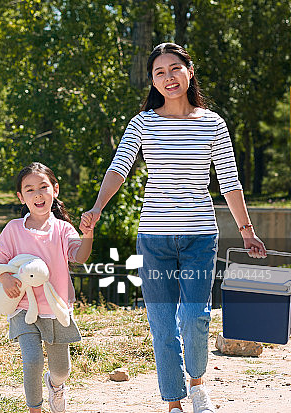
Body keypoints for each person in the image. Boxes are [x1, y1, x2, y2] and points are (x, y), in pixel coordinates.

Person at [80, 43, 267, 413]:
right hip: (154, 238)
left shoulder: (212, 123)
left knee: (195, 316)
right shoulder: (143, 123)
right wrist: (97, 207)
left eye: (174, 68)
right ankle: (174, 402)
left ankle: (198, 388)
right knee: (163, 323)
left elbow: (229, 181)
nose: (168, 77)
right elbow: (119, 168)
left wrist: (246, 230)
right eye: (159, 72)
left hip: (200, 236)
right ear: (152, 80)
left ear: (189, 70)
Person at [0, 162, 94, 413]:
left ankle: (55, 385)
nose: (37, 194)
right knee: (33, 360)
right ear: (20, 196)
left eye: (43, 187)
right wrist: (6, 279)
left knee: (61, 369)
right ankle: (35, 409)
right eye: (29, 190)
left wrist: (88, 235)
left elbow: (79, 257)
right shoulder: (13, 230)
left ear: (55, 190)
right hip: (23, 307)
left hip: (56, 309)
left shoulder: (62, 229)